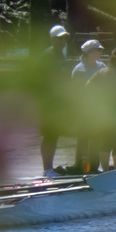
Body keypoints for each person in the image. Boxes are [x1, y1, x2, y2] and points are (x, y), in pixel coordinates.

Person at [70, 39, 110, 173]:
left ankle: (93, 166)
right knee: (83, 138)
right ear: (89, 52)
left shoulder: (101, 67)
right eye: (98, 50)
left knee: (97, 138)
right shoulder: (79, 70)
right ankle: (81, 166)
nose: (100, 52)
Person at [40, 23, 72, 176]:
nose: (63, 42)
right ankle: (47, 169)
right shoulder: (47, 56)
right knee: (49, 135)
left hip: (59, 103)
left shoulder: (61, 56)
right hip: (48, 104)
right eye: (60, 39)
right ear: (53, 40)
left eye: (64, 39)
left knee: (54, 135)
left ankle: (50, 167)